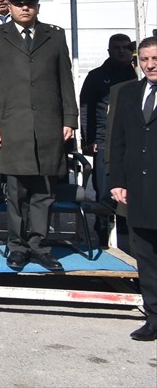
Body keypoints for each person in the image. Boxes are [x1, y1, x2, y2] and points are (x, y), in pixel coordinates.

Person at [0, 0, 76, 272]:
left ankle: (40, 246)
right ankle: (17, 247)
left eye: (29, 3)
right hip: (12, 126)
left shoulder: (54, 36)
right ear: (8, 5)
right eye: (19, 3)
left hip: (48, 126)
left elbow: (65, 81)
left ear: (37, 6)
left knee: (44, 191)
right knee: (16, 193)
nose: (24, 8)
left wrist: (70, 119)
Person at [108, 36, 157, 342]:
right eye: (145, 60)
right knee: (147, 257)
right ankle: (154, 316)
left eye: (156, 60)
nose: (150, 66)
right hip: (138, 189)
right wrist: (116, 180)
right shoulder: (128, 93)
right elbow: (118, 140)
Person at [80, 34, 137, 244]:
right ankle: (102, 236)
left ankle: (125, 237)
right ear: (109, 51)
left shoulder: (139, 74)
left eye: (125, 47)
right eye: (116, 47)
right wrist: (88, 138)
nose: (121, 51)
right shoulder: (97, 76)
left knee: (128, 192)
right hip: (104, 140)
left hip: (132, 142)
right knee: (104, 192)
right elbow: (86, 108)